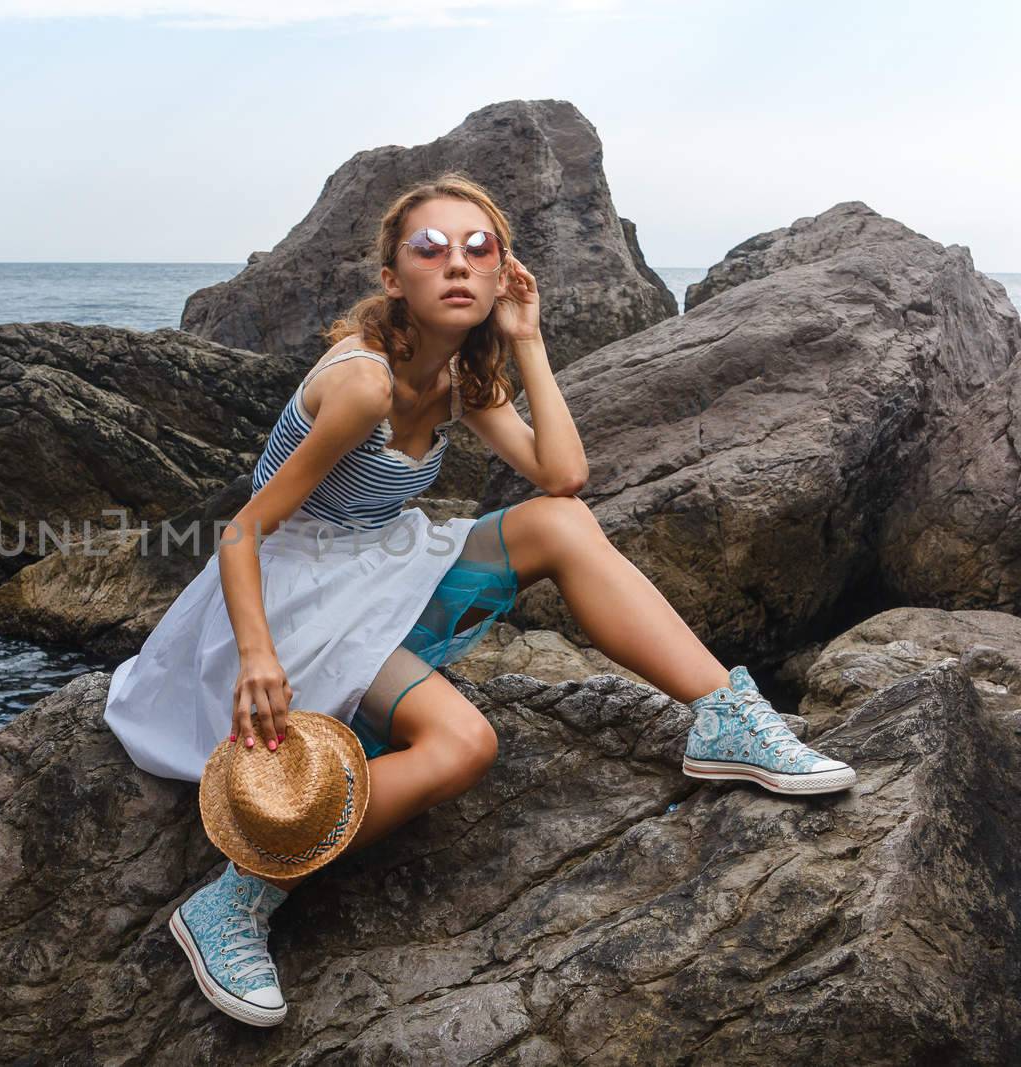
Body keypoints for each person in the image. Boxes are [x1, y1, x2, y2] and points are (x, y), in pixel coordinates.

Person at [102, 171, 857, 1027]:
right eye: (430, 249)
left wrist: (528, 339)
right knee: (463, 743)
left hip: (374, 568)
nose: (455, 264)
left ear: (503, 273)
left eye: (479, 249)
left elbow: (564, 476)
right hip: (289, 594)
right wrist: (257, 658)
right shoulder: (364, 385)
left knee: (560, 523)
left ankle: (725, 714)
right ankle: (240, 893)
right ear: (393, 278)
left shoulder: (459, 375)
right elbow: (242, 532)